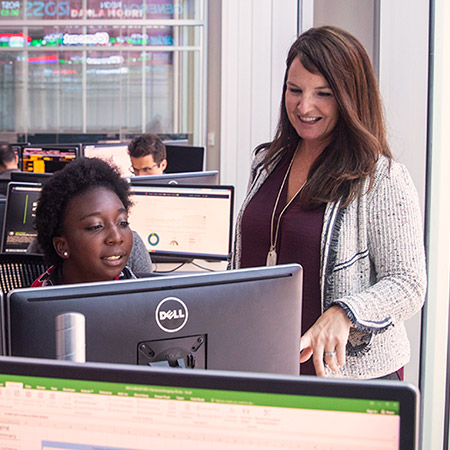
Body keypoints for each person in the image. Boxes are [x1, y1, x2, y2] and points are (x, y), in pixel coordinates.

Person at [229, 26, 426, 379]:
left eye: (323, 94)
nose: (304, 106)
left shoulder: (380, 177)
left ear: (349, 97)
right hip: (263, 362)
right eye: (294, 90)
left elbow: (408, 283)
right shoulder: (266, 163)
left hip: (347, 374)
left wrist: (345, 312)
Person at [32, 157, 141, 286]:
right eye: (96, 226)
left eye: (122, 223)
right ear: (62, 246)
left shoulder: (147, 296)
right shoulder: (39, 303)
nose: (116, 237)